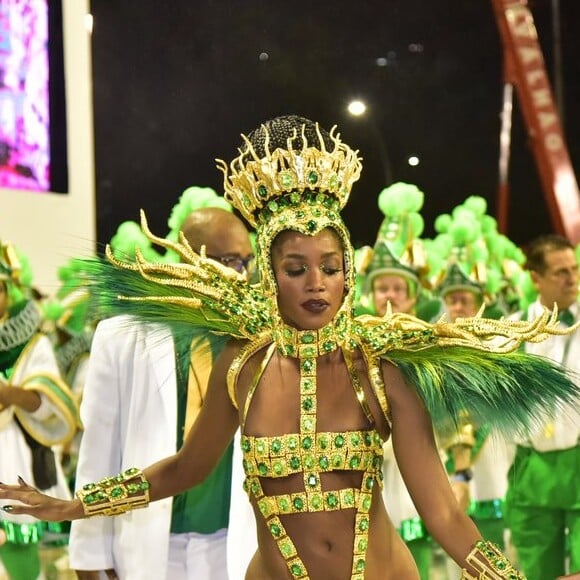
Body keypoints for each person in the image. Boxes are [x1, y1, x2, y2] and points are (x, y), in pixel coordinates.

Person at [0, 115, 577, 579]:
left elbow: (444, 513)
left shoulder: (382, 369)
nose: (316, 283)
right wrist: (77, 506)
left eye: (330, 267)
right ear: (269, 276)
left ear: (349, 274)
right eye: (296, 268)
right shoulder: (242, 368)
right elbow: (184, 467)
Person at [67, 201, 254, 580]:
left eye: (248, 263)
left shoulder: (256, 338)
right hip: (149, 546)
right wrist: (88, 554)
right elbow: (99, 448)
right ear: (189, 258)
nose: (242, 277)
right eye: (231, 261)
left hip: (235, 544)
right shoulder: (122, 333)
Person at [0, 240, 78, 580]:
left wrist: (9, 393)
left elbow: (49, 403)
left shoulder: (33, 342)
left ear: (10, 291)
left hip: (15, 454)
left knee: (19, 542)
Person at [505, 234, 580, 580]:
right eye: (560, 272)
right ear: (535, 277)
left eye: (575, 268)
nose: (572, 278)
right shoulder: (511, 330)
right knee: (537, 573)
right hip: (531, 468)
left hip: (578, 461)